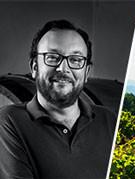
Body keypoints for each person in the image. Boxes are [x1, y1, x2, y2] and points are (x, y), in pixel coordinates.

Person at [0, 19, 116, 178]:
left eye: (75, 60)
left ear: (87, 72)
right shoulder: (9, 121)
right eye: (53, 57)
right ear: (35, 67)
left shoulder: (109, 120)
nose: (63, 68)